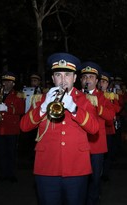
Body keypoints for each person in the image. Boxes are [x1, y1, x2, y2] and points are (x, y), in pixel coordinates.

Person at [20, 53, 99, 205]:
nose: (63, 80)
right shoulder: (41, 99)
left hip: (77, 168)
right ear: (53, 78)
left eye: (67, 74)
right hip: (46, 168)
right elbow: (24, 126)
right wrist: (42, 108)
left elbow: (94, 129)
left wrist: (74, 108)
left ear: (75, 78)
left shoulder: (85, 100)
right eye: (58, 75)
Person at [80, 61, 115, 205]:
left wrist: (98, 106)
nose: (88, 80)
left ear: (96, 80)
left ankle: (93, 200)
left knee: (95, 177)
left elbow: (110, 116)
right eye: (85, 77)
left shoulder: (103, 97)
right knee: (80, 177)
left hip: (96, 143)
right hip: (79, 143)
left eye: (91, 77)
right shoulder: (75, 95)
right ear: (81, 80)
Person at [0, 71, 25, 183]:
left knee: (11, 153)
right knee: (1, 153)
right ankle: (3, 174)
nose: (6, 84)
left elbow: (21, 110)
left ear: (13, 84)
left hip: (11, 129)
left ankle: (11, 175)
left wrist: (7, 108)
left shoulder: (18, 95)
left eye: (9, 82)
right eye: (4, 81)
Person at [98, 71, 121, 182]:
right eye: (100, 81)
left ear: (108, 84)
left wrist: (108, 101)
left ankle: (105, 173)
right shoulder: (92, 95)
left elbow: (117, 109)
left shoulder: (111, 95)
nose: (101, 84)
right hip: (96, 128)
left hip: (108, 128)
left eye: (104, 82)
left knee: (107, 153)